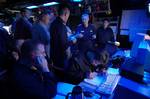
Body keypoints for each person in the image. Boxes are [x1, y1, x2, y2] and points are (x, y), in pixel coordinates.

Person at [50, 4, 72, 69]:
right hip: (61, 57)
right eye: (68, 15)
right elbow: (64, 45)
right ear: (66, 14)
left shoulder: (53, 23)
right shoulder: (62, 26)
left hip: (54, 55)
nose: (68, 17)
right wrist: (72, 42)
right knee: (64, 75)